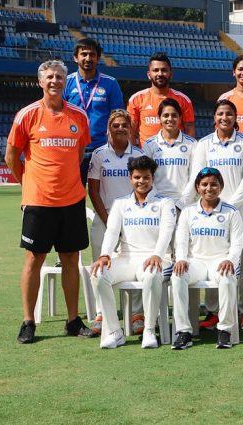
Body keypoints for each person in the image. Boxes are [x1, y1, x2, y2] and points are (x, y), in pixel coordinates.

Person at [7, 60, 92, 343]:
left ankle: (72, 320)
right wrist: (29, 184)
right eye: (50, 77)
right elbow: (11, 156)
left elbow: (79, 152)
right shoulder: (27, 115)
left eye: (59, 77)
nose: (55, 81)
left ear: (65, 82)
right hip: (39, 202)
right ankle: (28, 321)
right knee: (34, 258)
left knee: (71, 258)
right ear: (40, 82)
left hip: (72, 200)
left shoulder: (78, 116)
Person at [89, 156, 176, 349]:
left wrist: (157, 255)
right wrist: (105, 255)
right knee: (99, 273)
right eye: (137, 177)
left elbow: (167, 232)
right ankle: (114, 331)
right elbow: (112, 232)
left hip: (157, 258)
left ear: (152, 178)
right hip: (126, 258)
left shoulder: (165, 202)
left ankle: (149, 330)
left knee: (152, 275)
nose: (141, 181)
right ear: (130, 178)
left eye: (146, 177)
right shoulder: (120, 203)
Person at [187, 99, 243, 330]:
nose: (224, 118)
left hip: (241, 208)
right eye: (220, 114)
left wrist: (229, 205)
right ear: (214, 118)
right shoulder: (204, 144)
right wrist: (211, 202)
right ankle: (214, 310)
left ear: (235, 118)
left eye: (229, 114)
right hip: (210, 207)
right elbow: (198, 176)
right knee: (214, 254)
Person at [171, 167, 243, 350]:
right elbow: (181, 241)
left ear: (221, 187)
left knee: (227, 278)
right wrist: (181, 259)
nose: (209, 188)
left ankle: (225, 330)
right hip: (195, 262)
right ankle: (183, 331)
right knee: (177, 277)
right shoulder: (188, 212)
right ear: (197, 187)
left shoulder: (231, 212)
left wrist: (230, 260)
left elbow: (237, 244)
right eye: (204, 184)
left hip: (220, 261)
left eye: (214, 184)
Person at [86, 109, 144, 336]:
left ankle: (138, 314)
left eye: (124, 125)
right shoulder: (99, 154)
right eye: (115, 125)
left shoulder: (138, 154)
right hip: (104, 217)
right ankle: (102, 314)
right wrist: (108, 220)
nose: (120, 128)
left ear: (131, 129)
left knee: (135, 262)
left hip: (133, 220)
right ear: (108, 128)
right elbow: (93, 189)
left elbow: (144, 187)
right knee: (99, 266)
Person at [64, 37, 124, 184]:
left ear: (98, 58)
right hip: (74, 149)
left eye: (92, 54)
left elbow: (117, 116)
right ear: (75, 58)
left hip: (103, 149)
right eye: (83, 54)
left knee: (107, 195)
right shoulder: (66, 82)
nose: (88, 58)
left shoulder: (110, 83)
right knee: (74, 195)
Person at [128, 52, 195, 146]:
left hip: (175, 156)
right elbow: (131, 131)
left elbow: (189, 129)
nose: (160, 74)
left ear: (170, 74)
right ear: (149, 74)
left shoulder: (183, 100)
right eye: (155, 70)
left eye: (164, 70)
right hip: (147, 156)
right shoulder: (136, 99)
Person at [143, 98, 197, 209]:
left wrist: (181, 205)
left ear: (180, 118)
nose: (170, 119)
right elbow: (146, 177)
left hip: (184, 206)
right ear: (159, 118)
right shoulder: (149, 145)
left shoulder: (192, 144)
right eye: (166, 115)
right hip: (157, 205)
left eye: (174, 115)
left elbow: (194, 177)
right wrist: (158, 202)